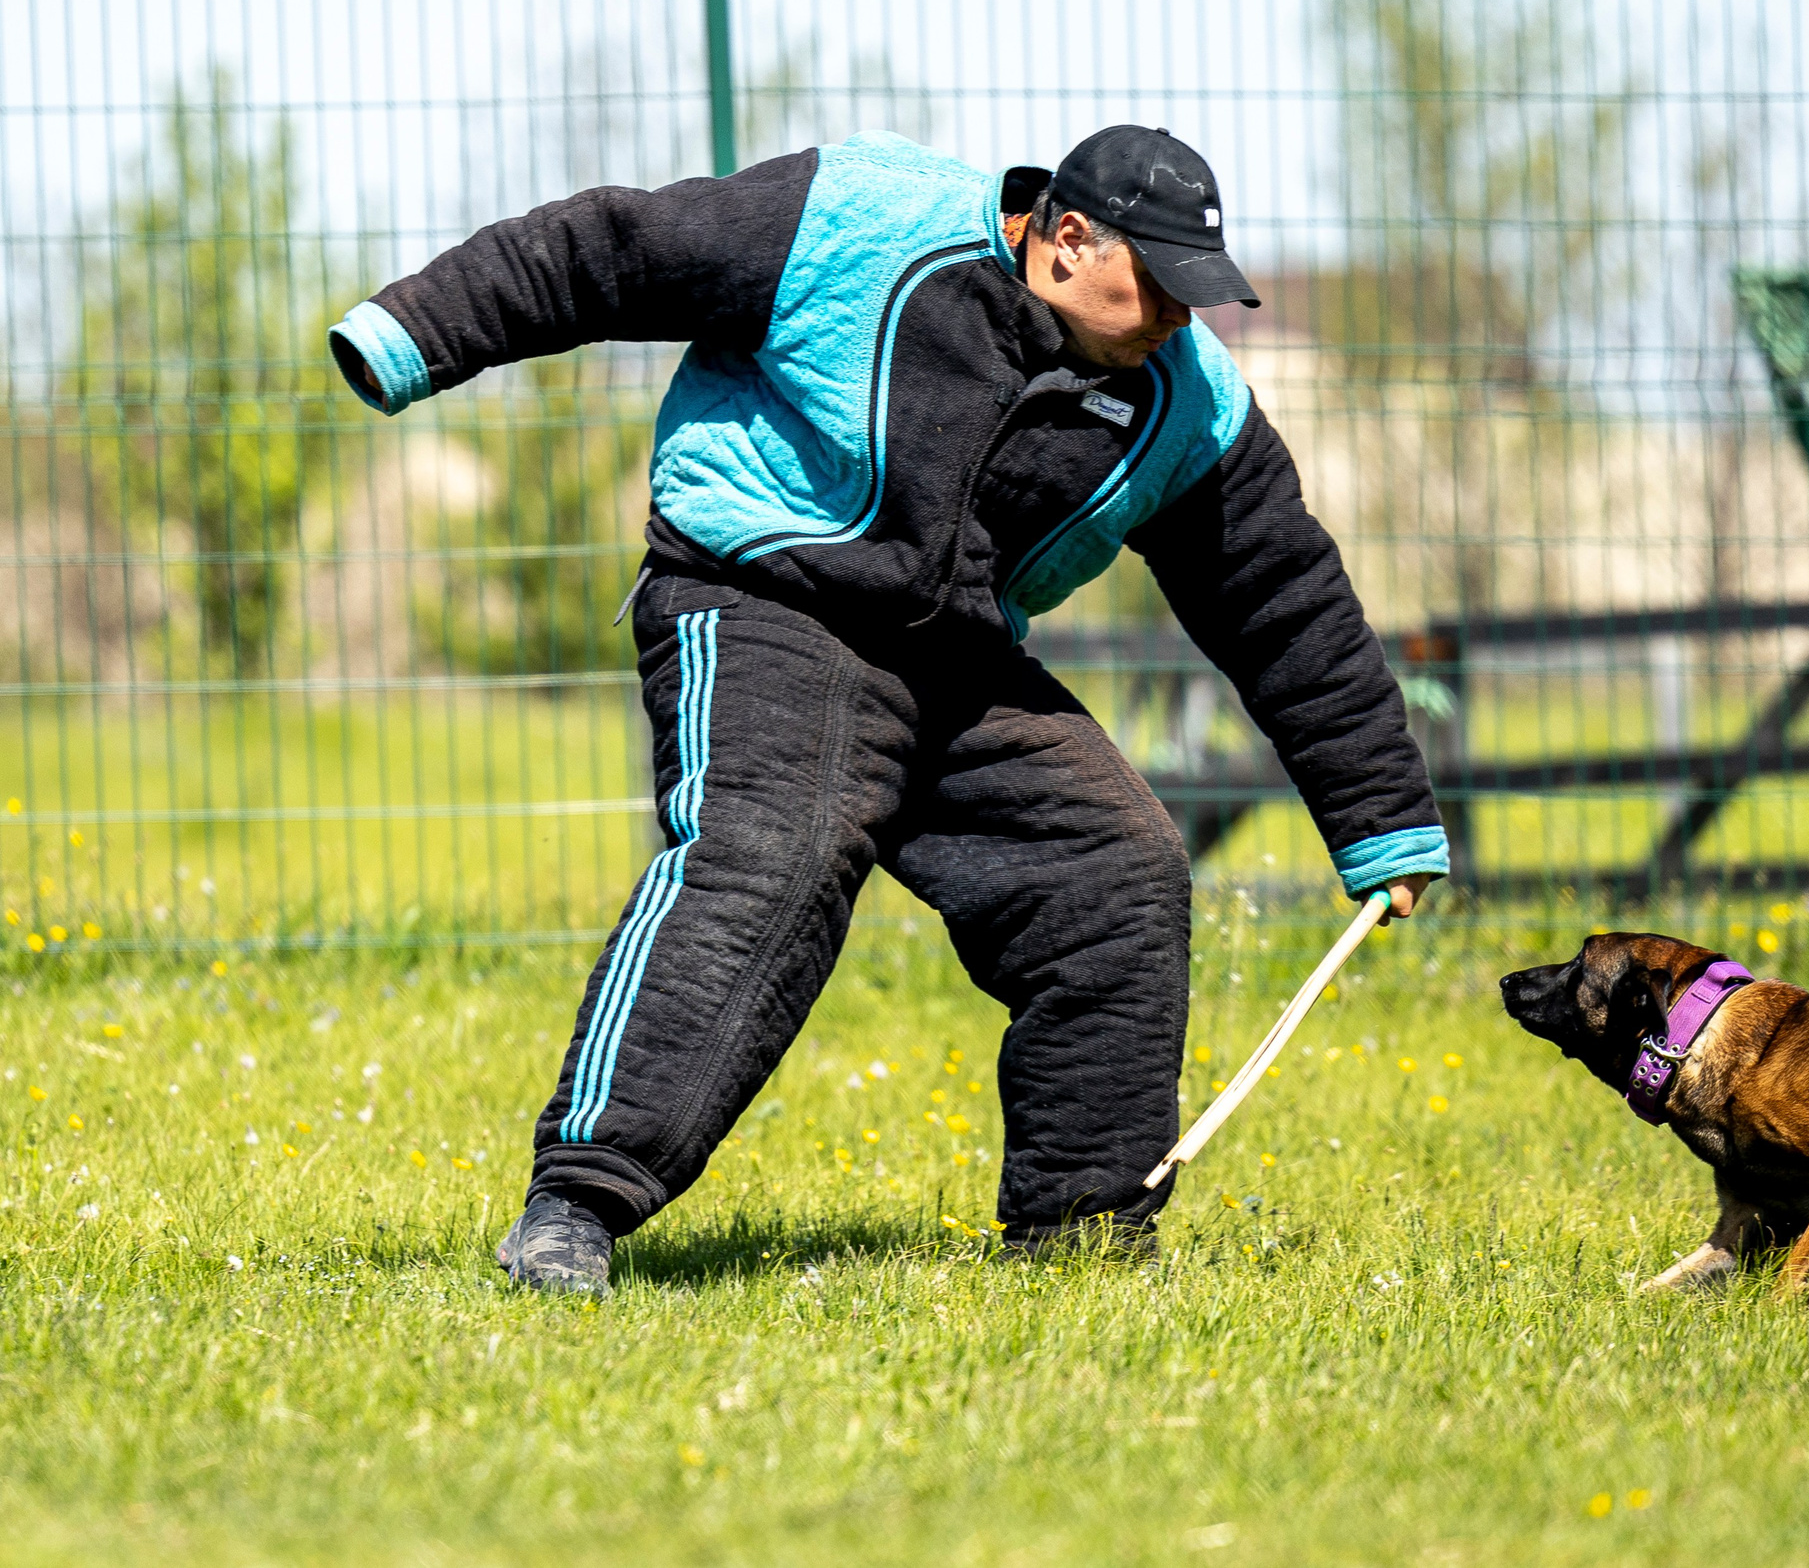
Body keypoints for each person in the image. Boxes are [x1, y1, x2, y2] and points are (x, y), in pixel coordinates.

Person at [328, 125, 1447, 1292]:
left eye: (1195, 294)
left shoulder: (1192, 404)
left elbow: (1283, 602)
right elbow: (607, 251)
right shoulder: (857, 220)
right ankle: (576, 1206)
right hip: (764, 592)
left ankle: (1083, 1238)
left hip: (954, 654)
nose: (1179, 318)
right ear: (1067, 240)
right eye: (1159, 288)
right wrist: (405, 338)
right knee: (775, 853)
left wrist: (1382, 819)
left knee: (1112, 873)